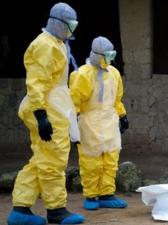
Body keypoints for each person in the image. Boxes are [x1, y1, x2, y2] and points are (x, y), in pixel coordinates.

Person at [7, 2, 85, 225]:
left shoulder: (58, 43)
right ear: (59, 23)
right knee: (54, 160)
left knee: (42, 159)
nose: (72, 29)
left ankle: (20, 210)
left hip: (55, 105)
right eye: (70, 24)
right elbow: (36, 82)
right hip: (47, 107)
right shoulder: (44, 45)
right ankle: (56, 209)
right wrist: (41, 114)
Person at [69, 36, 129, 211]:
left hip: (110, 120)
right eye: (108, 55)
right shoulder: (82, 74)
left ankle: (107, 194)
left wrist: (122, 115)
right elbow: (74, 103)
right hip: (89, 122)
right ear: (98, 54)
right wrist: (72, 128)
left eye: (112, 54)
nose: (111, 59)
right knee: (91, 161)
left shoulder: (114, 73)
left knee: (111, 159)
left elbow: (117, 98)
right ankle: (91, 195)